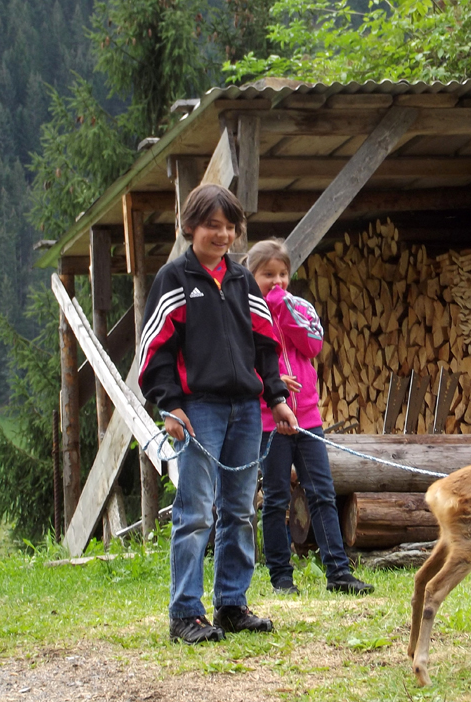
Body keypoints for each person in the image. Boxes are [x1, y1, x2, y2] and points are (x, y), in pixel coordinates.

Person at [138, 185, 298, 645]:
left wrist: (276, 398)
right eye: (213, 225)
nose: (223, 234)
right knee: (194, 513)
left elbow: (265, 345)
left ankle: (231, 604)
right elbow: (154, 351)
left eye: (230, 226)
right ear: (190, 226)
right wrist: (169, 405)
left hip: (247, 411)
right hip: (198, 411)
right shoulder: (173, 279)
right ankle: (185, 613)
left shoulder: (242, 280)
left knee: (239, 510)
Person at [247, 238, 374, 596]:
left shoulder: (298, 307)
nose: (277, 281)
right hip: (269, 420)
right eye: (267, 274)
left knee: (321, 492)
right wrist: (268, 384)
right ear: (251, 275)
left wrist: (283, 308)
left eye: (283, 274)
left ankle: (338, 572)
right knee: (275, 499)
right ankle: (281, 577)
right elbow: (241, 365)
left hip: (307, 417)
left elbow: (312, 346)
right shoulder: (243, 313)